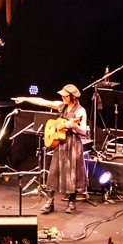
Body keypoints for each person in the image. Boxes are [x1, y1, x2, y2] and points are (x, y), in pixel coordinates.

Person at [21, 84, 89, 214]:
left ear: (72, 97)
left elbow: (83, 131)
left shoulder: (80, 111)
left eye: (65, 95)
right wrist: (25, 99)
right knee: (53, 173)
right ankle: (50, 202)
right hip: (61, 144)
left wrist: (73, 126)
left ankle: (71, 202)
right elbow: (43, 102)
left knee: (72, 174)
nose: (62, 97)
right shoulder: (61, 106)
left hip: (73, 144)